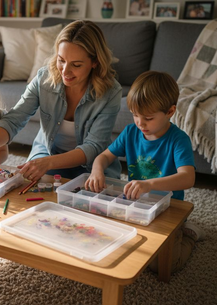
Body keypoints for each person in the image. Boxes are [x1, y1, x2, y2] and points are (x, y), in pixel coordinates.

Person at [0, 20, 122, 181]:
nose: (65, 71)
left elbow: (93, 147)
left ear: (95, 62)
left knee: (97, 199)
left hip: (92, 163)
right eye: (61, 60)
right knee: (28, 188)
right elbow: (15, 118)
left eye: (76, 65)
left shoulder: (110, 92)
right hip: (48, 152)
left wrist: (48, 163)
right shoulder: (44, 78)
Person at [85, 71, 204, 274]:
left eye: (148, 118)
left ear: (170, 111)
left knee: (163, 265)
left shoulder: (178, 139)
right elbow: (102, 157)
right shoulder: (131, 132)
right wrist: (97, 171)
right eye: (135, 114)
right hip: (135, 206)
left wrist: (149, 185)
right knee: (111, 245)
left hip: (169, 210)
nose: (140, 123)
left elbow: (188, 177)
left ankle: (190, 233)